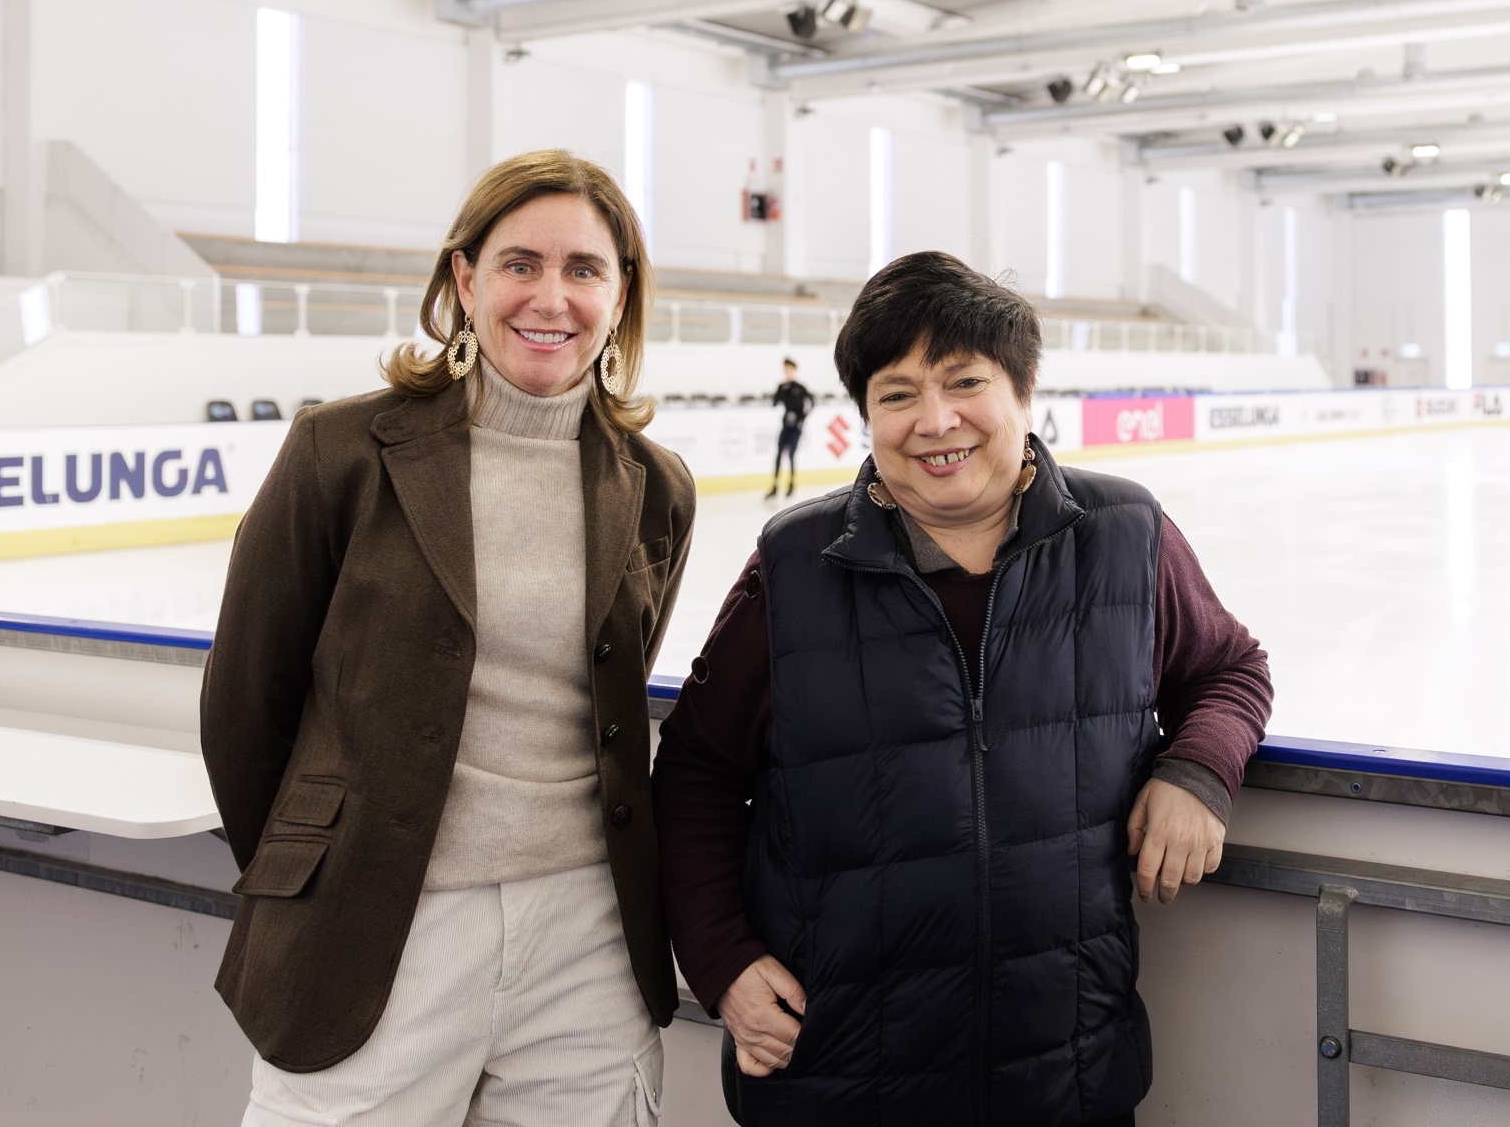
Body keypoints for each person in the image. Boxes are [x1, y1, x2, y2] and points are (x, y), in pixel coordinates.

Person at [653, 252, 1272, 1127]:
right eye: (897, 394)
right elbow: (696, 771)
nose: (935, 420)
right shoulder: (793, 568)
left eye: (965, 382)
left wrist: (1198, 771)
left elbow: (1229, 669)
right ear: (866, 415)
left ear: (1024, 391)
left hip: (1065, 1076)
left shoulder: (1124, 536)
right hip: (837, 1079)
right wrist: (720, 961)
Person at [203, 150, 695, 1127]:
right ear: (465, 280)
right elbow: (245, 707)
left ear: (621, 293)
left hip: (588, 937)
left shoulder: (655, 484)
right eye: (520, 264)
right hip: (380, 924)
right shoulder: (339, 452)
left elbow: (610, 694)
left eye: (584, 269)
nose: (551, 297)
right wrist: (323, 877)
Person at [764, 359, 814, 501]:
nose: (787, 372)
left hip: (796, 427)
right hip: (786, 425)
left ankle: (791, 484)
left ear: (794, 370)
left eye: (790, 370)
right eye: (786, 370)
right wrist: (781, 390)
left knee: (791, 454)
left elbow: (812, 402)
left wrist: (802, 419)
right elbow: (775, 403)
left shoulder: (800, 387)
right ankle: (775, 485)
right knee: (779, 453)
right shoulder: (782, 387)